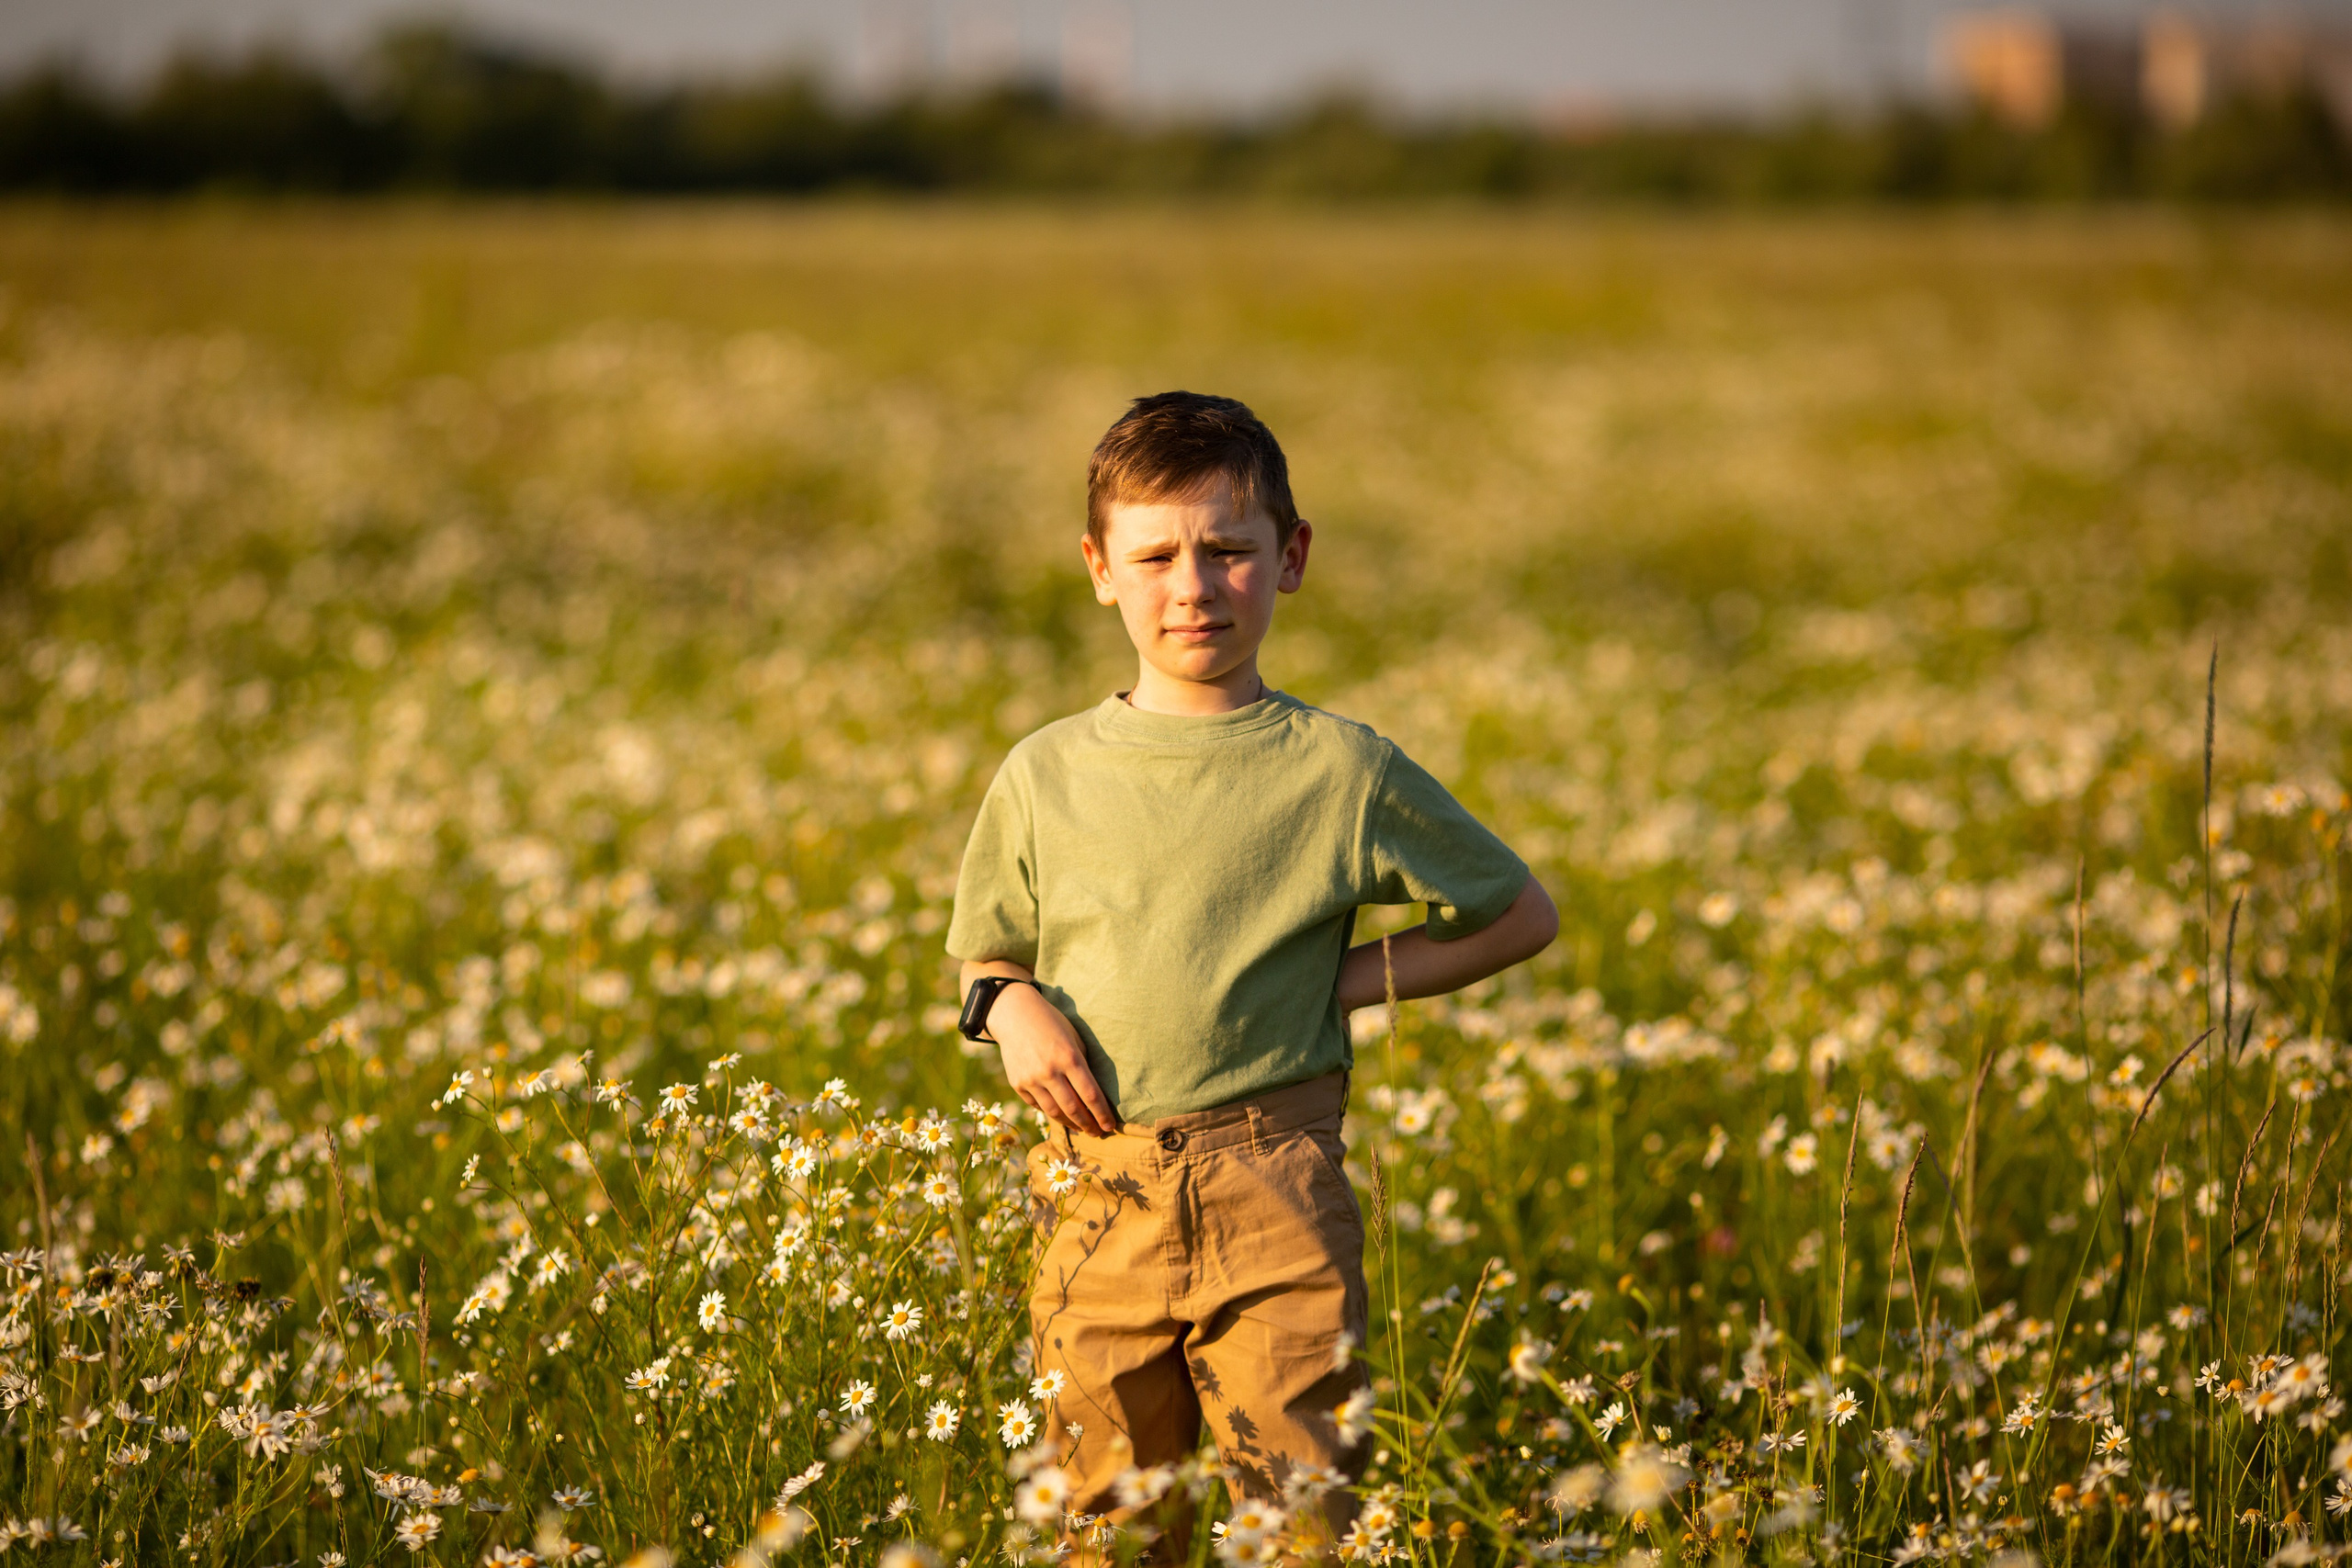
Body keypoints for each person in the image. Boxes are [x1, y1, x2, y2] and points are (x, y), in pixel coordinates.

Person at [946, 390, 1557, 1548]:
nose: (1193, 586)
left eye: (1228, 551)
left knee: (1301, 1515)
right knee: (1113, 1523)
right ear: (1098, 568)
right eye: (1157, 555)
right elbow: (986, 951)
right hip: (1095, 1187)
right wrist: (1006, 1003)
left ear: (1291, 558)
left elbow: (1515, 911)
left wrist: (1344, 982)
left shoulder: (1342, 768)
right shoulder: (1045, 771)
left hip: (1274, 1185)